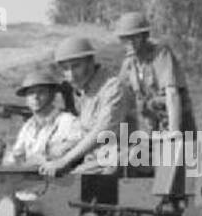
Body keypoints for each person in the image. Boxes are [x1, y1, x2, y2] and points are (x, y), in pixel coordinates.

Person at [38, 37, 139, 177]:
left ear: (91, 62)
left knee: (66, 182)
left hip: (122, 160)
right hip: (98, 159)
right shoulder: (86, 92)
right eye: (66, 69)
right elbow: (86, 132)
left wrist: (65, 161)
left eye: (76, 66)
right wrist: (64, 150)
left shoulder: (113, 87)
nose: (71, 75)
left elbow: (103, 131)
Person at [114, 11, 196, 137]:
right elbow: (119, 96)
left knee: (184, 154)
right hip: (153, 127)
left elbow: (172, 93)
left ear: (144, 36)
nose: (130, 42)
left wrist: (174, 131)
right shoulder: (129, 64)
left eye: (134, 37)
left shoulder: (161, 54)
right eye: (125, 39)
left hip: (180, 124)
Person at [3, 66, 83, 167]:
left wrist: (44, 158)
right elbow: (14, 158)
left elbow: (75, 150)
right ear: (26, 99)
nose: (35, 97)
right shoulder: (28, 127)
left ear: (52, 95)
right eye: (31, 93)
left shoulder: (68, 121)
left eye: (41, 92)